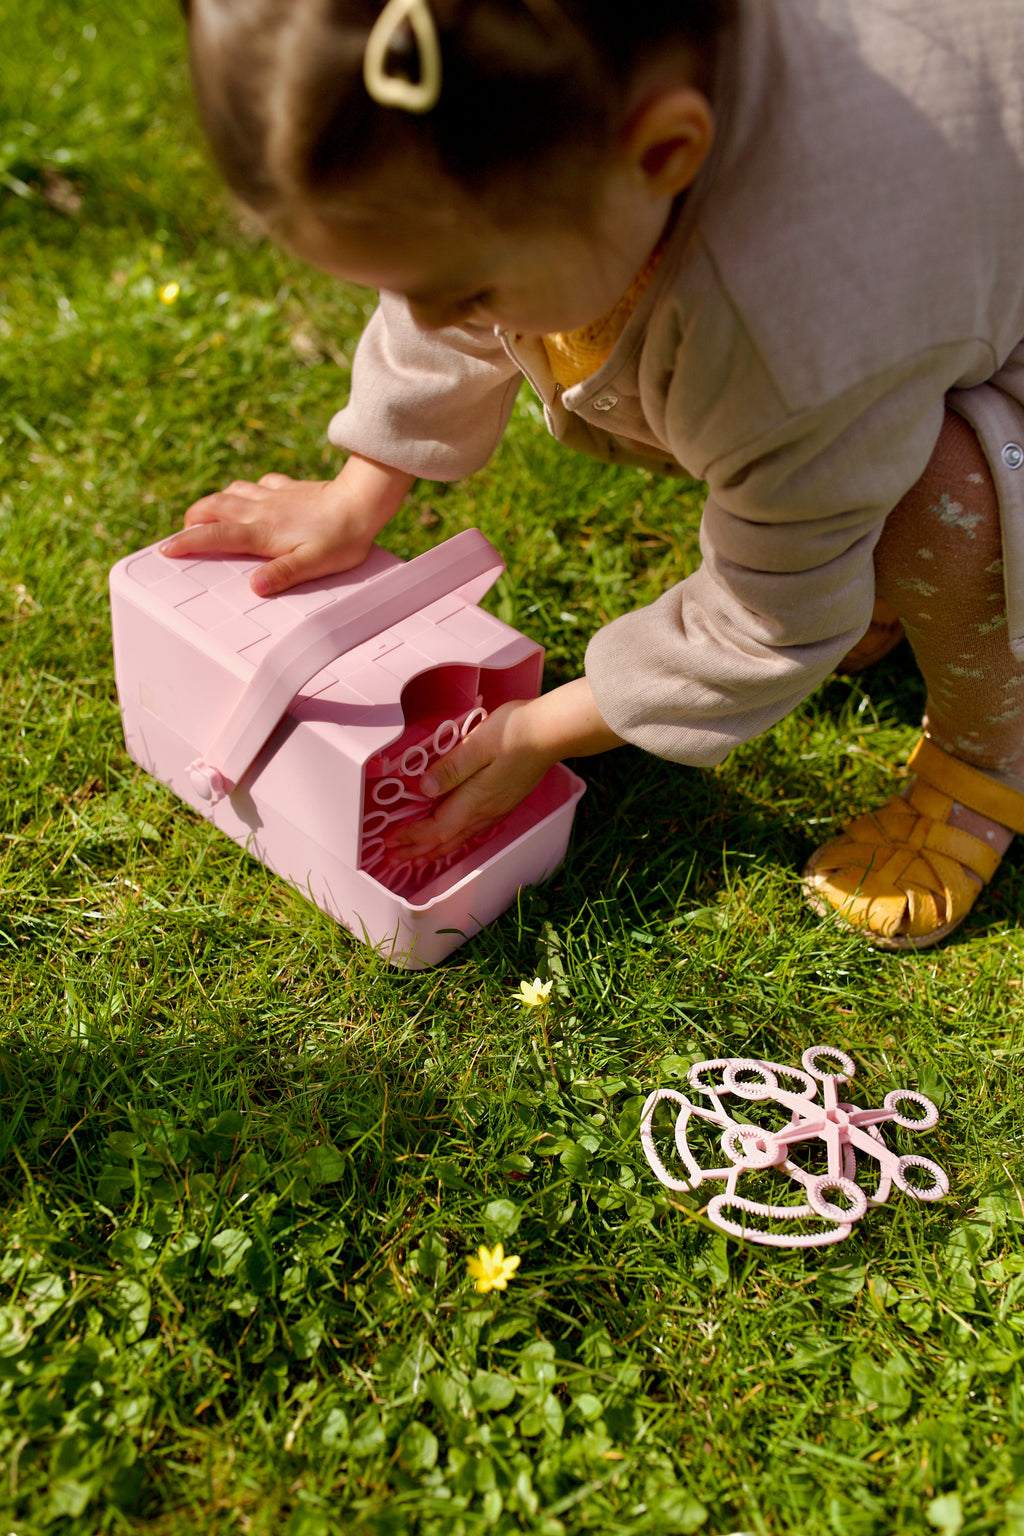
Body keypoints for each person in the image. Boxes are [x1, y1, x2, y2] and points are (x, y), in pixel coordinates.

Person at [164, 0, 1024, 950]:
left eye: (472, 291)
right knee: (794, 454)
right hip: (885, 312)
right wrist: (364, 485)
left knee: (932, 498)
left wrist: (537, 732)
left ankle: (994, 752)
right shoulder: (550, 116)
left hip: (958, 334)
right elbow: (447, 292)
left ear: (661, 156)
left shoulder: (792, 336)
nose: (435, 313)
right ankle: (860, 548)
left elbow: (772, 618)